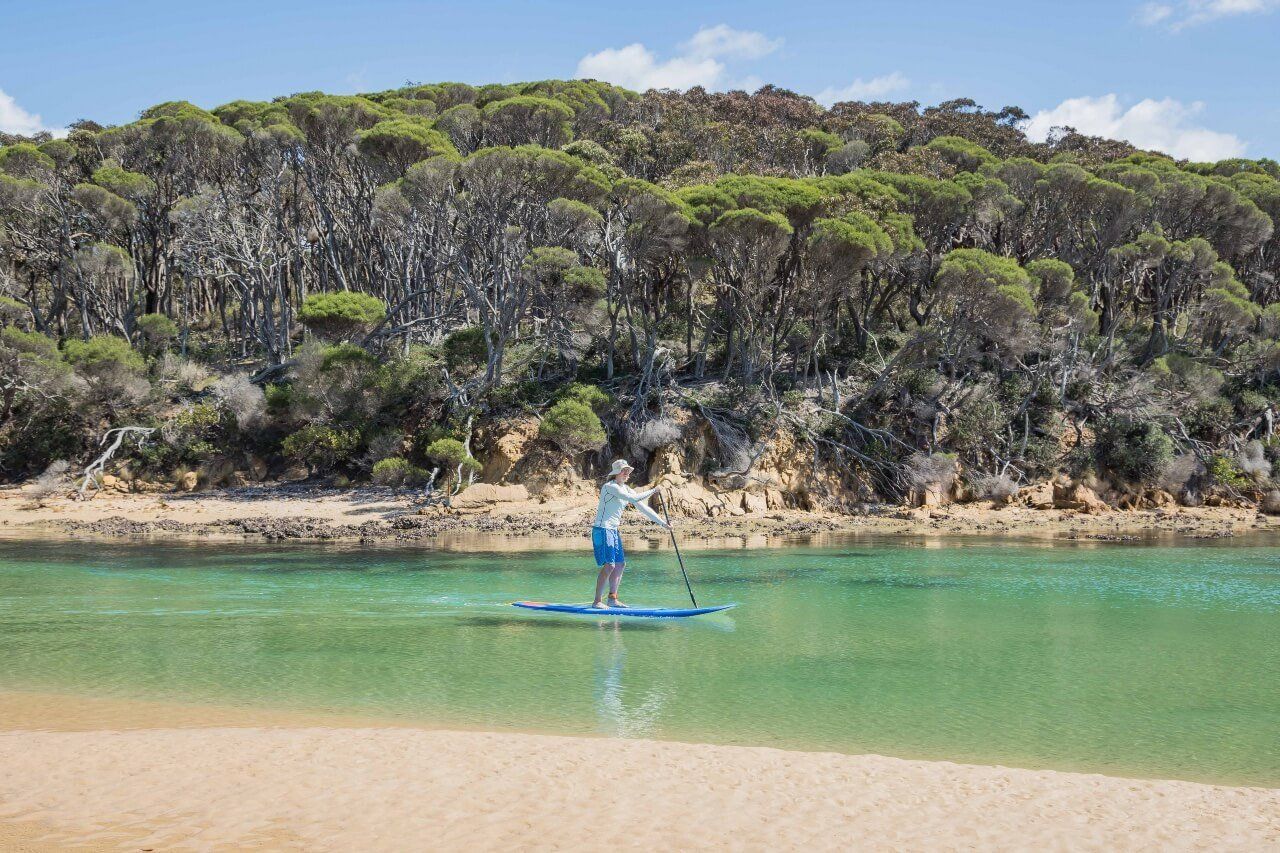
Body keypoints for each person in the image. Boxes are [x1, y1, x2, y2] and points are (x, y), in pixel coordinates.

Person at [591, 458, 671, 608]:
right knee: (610, 565)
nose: (627, 473)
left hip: (613, 530)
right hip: (602, 529)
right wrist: (653, 490)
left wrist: (662, 523)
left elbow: (643, 508)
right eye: (624, 471)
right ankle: (597, 601)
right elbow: (632, 498)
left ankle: (612, 599)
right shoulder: (610, 487)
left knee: (620, 564)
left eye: (628, 471)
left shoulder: (626, 488)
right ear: (616, 472)